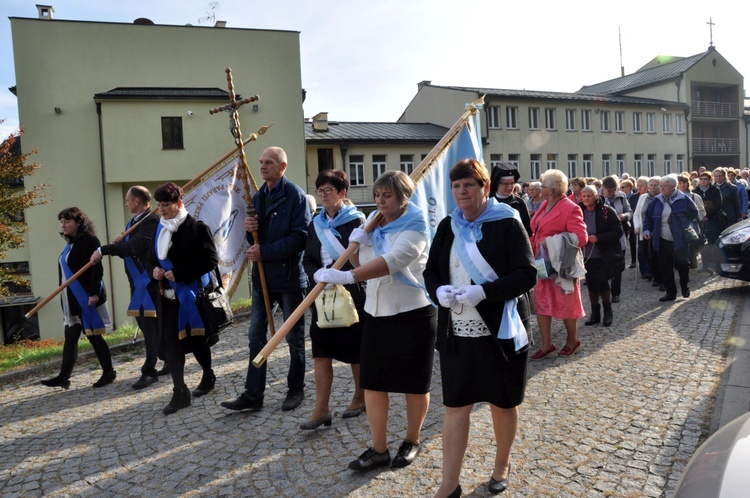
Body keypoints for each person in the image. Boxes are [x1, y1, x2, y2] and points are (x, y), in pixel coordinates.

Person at [423, 159, 536, 497]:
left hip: (500, 332)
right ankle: (449, 483)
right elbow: (431, 272)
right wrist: (438, 291)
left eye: (468, 185)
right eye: (456, 186)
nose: (461, 192)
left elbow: (526, 274)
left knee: (503, 404)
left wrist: (484, 291)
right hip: (457, 334)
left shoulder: (507, 222)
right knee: (456, 408)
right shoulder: (447, 225)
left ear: (485, 187)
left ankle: (502, 463)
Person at [314, 170, 437, 471]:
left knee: (414, 384)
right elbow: (363, 263)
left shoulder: (416, 226)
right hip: (376, 313)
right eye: (377, 195)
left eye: (387, 196)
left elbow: (391, 262)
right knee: (373, 382)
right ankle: (379, 448)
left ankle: (412, 439)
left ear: (403, 197)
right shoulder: (375, 224)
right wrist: (357, 246)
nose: (380, 201)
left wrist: (347, 275)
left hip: (413, 314)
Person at [222, 146, 311, 413]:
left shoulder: (295, 196)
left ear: (282, 166)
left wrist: (264, 251)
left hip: (288, 278)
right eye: (261, 162)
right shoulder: (258, 197)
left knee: (294, 339)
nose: (263, 166)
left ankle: (296, 389)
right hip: (262, 280)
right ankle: (253, 393)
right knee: (255, 337)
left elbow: (300, 238)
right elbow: (256, 239)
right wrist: (251, 233)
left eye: (269, 162)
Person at [300, 170, 367, 430]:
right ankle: (321, 408)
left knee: (356, 351)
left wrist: (344, 274)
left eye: (329, 190)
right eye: (320, 190)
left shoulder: (357, 221)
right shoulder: (315, 224)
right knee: (321, 351)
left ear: (342, 193)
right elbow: (307, 257)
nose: (324, 195)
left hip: (352, 294)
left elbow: (365, 259)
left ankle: (360, 397)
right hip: (323, 294)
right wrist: (316, 274)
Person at [147, 182, 219, 414]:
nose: (162, 210)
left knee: (196, 342)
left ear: (179, 203)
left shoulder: (196, 227)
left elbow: (210, 260)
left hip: (190, 297)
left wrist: (179, 272)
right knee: (170, 345)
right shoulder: (159, 228)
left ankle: (208, 375)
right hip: (167, 297)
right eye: (159, 205)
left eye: (166, 205)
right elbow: (151, 260)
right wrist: (155, 271)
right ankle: (180, 392)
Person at [90, 186, 162, 390]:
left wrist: (104, 250)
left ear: (137, 201)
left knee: (150, 328)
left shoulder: (151, 221)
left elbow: (135, 247)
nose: (126, 203)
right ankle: (166, 358)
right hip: (138, 284)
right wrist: (121, 240)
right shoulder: (135, 222)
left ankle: (149, 371)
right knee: (148, 325)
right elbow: (129, 245)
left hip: (149, 284)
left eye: (128, 200)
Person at [41, 207, 116, 390]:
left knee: (94, 336)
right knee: (71, 336)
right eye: (61, 221)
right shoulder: (70, 244)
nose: (63, 225)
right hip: (71, 298)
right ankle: (63, 377)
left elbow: (96, 269)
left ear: (79, 222)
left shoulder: (90, 241)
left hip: (87, 296)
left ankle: (109, 372)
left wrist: (93, 293)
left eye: (67, 221)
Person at [529, 170, 587, 360]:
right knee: (541, 301)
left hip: (562, 264)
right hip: (541, 260)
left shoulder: (570, 208)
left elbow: (581, 237)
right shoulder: (544, 204)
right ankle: (547, 345)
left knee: (566, 302)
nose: (538, 188)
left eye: (543, 185)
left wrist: (551, 242)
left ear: (552, 190)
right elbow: (536, 230)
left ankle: (573, 341)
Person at [643, 175, 699, 302]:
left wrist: (684, 222)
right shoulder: (657, 200)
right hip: (661, 238)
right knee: (665, 266)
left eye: (665, 186)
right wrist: (647, 229)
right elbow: (648, 217)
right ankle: (671, 292)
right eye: (660, 186)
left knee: (682, 264)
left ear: (673, 187)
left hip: (680, 238)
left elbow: (694, 213)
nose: (661, 188)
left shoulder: (683, 199)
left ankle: (684, 286)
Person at [579, 186, 624, 327]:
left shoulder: (607, 211)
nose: (586, 199)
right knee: (591, 284)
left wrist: (599, 238)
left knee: (603, 283)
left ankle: (608, 311)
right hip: (586, 255)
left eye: (589, 196)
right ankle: (595, 313)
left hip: (603, 254)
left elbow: (618, 232)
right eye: (584, 196)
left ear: (596, 197)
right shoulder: (579, 211)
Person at [599, 175, 631, 302]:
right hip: (604, 237)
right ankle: (604, 291)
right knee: (604, 267)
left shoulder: (621, 196)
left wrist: (625, 215)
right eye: (609, 190)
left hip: (618, 236)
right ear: (603, 188)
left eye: (614, 190)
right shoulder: (597, 198)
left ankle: (615, 292)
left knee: (617, 266)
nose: (611, 193)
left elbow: (630, 211)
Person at [693, 171, 725, 273]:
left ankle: (713, 263)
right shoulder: (696, 191)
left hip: (713, 219)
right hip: (700, 220)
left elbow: (718, 205)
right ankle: (705, 264)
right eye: (701, 179)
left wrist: (707, 214)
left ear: (709, 180)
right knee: (702, 242)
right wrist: (701, 216)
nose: (703, 181)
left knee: (712, 241)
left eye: (705, 179)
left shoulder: (715, 190)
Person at [490, 162, 532, 236]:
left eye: (512, 183)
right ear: (497, 184)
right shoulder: (488, 202)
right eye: (505, 184)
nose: (509, 187)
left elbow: (528, 229)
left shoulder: (519, 203)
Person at [677, 173, 706, 268]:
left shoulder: (694, 196)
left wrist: (694, 218)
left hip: (692, 225)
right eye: (680, 183)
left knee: (692, 245)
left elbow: (702, 211)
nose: (682, 185)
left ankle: (692, 263)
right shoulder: (674, 196)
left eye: (684, 183)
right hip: (678, 225)